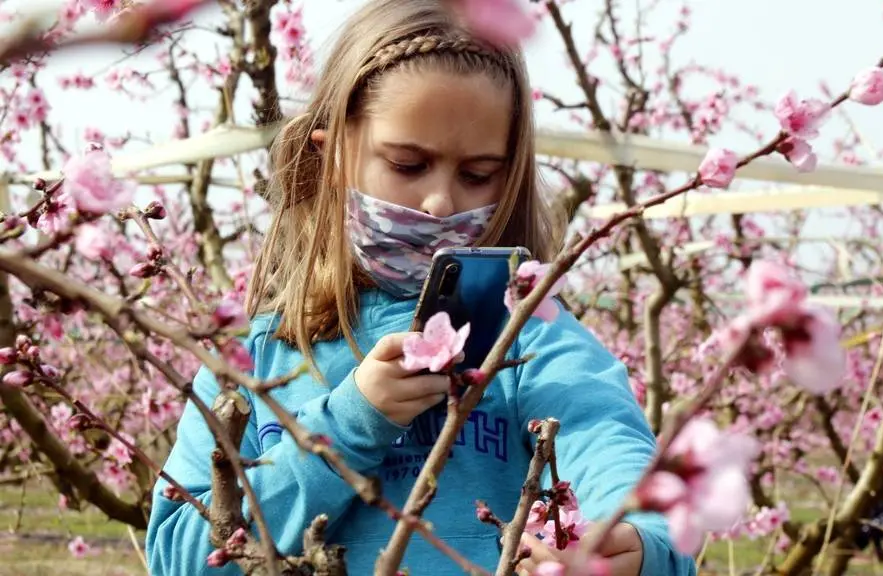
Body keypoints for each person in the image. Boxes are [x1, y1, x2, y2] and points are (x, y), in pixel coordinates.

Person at [145, 1, 696, 575]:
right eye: (408, 165)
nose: (441, 201)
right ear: (331, 154)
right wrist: (351, 423)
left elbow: (611, 451)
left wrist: (635, 546)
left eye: (478, 175)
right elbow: (180, 555)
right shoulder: (254, 356)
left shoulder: (530, 341)